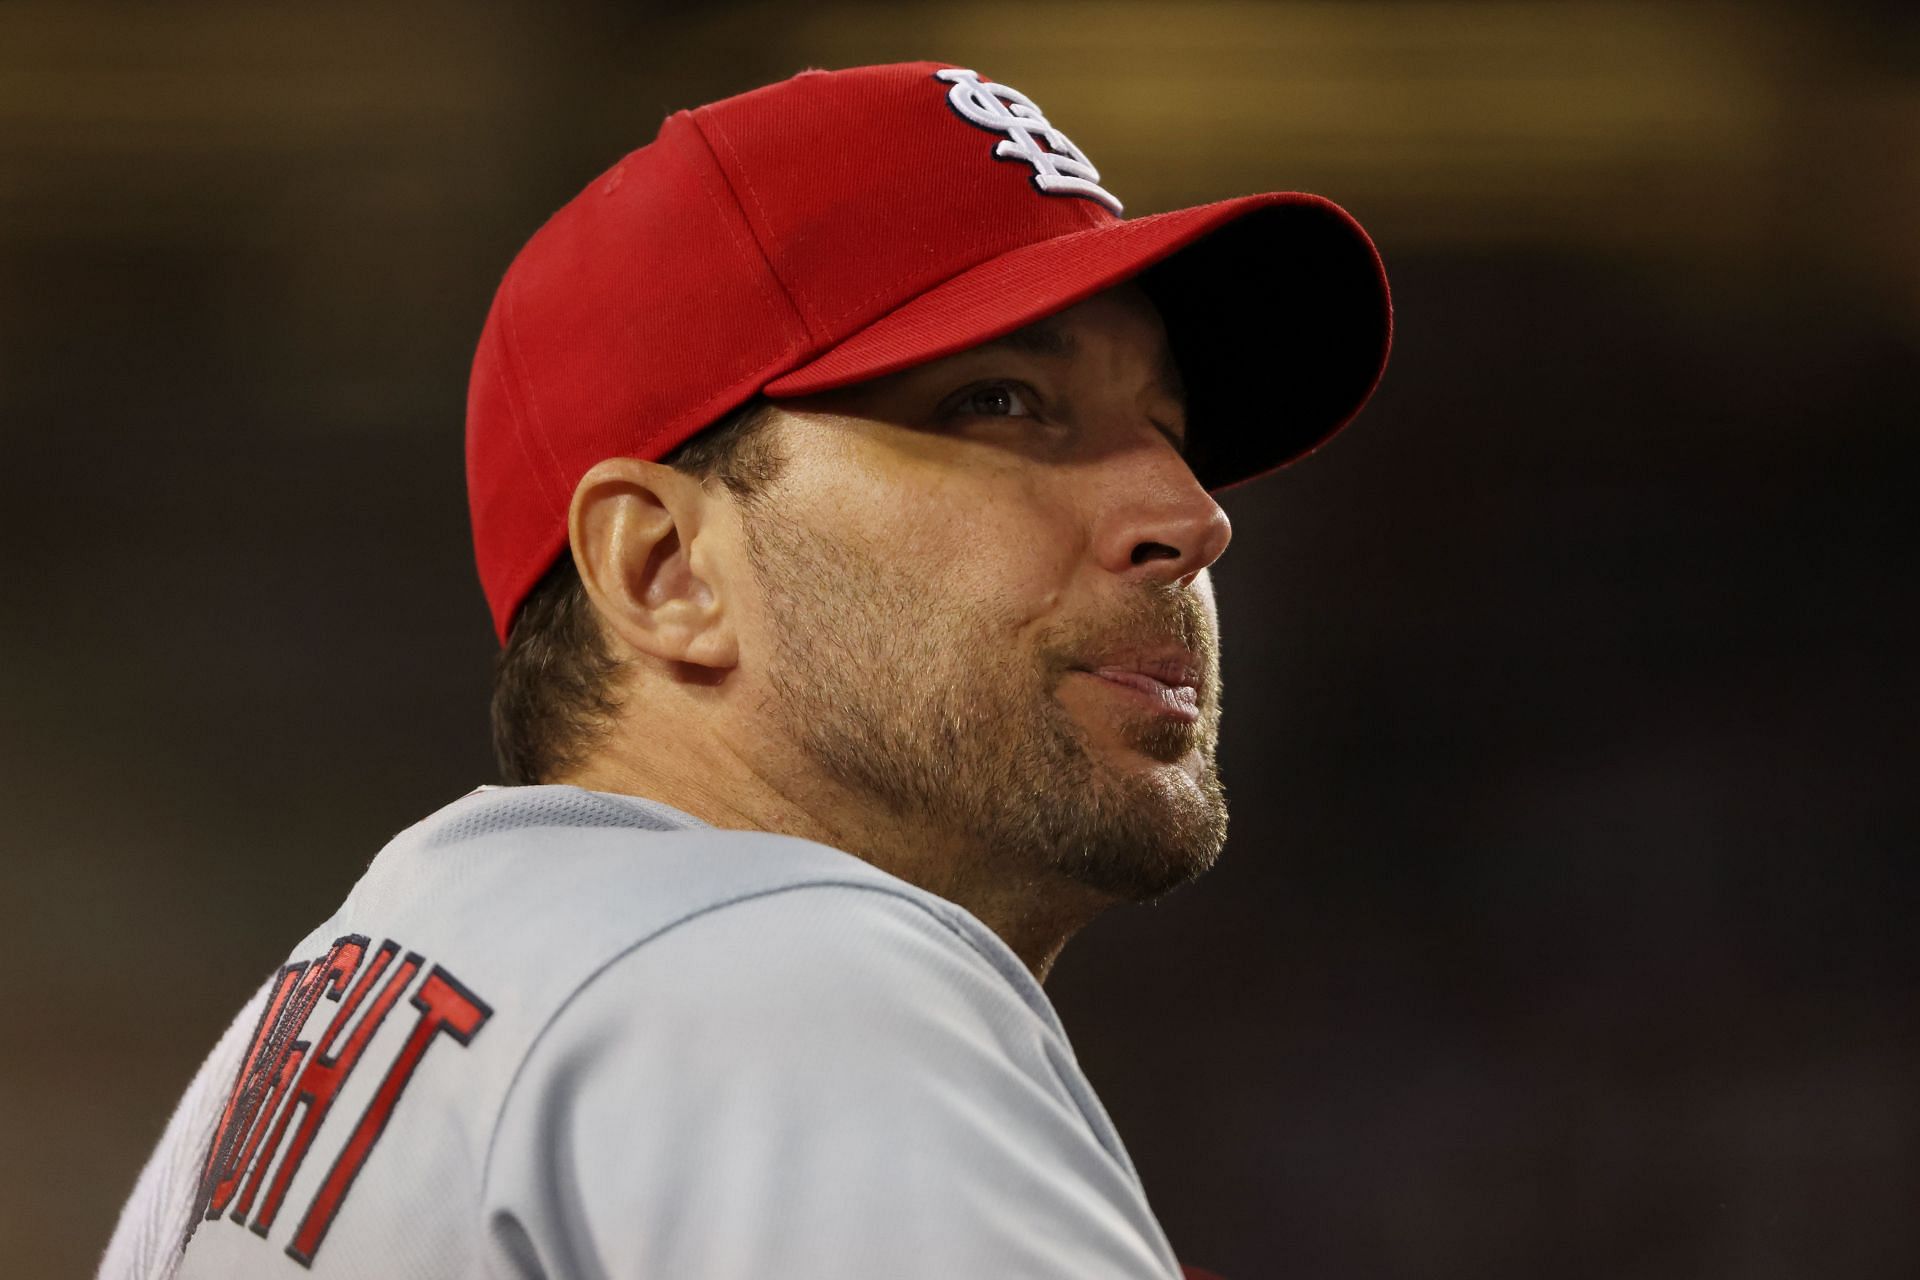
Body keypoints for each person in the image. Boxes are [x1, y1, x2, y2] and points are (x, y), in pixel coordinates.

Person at [100, 60, 1391, 1279]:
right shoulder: (778, 973)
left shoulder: (322, 1022)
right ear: (665, 568)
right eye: (998, 402)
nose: (1190, 515)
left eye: (1167, 430)